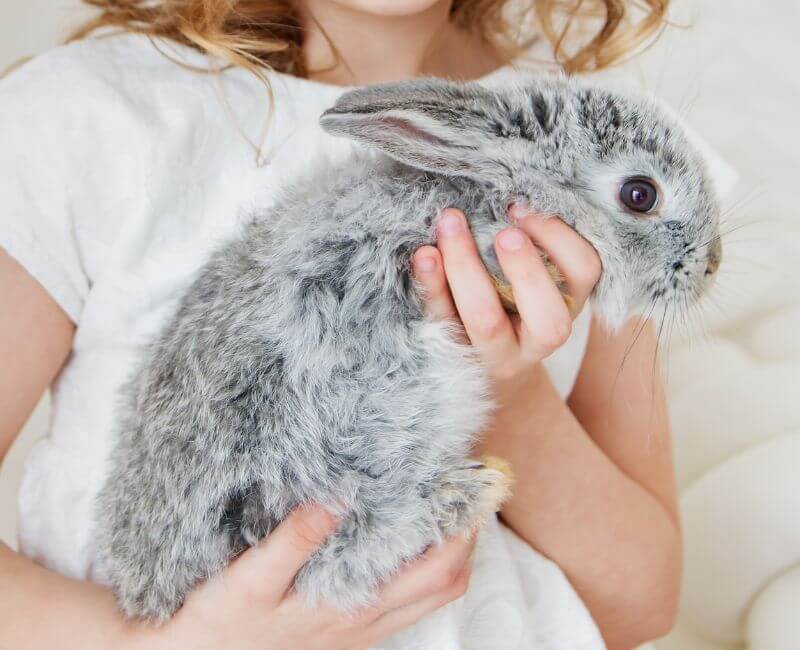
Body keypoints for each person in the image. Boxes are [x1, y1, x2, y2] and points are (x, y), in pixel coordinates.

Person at [0, 1, 688, 648]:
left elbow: (639, 602)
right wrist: (178, 644)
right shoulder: (89, 116)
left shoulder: (598, 140)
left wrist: (502, 383)